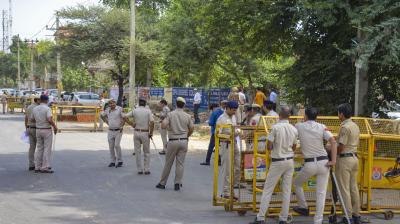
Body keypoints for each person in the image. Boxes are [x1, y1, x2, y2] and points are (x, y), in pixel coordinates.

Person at [250, 106, 298, 224]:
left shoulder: (275, 128)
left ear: (279, 116)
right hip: (290, 161)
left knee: (268, 190)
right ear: (289, 117)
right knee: (286, 191)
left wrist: (275, 146)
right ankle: (283, 218)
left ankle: (261, 218)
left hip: (277, 161)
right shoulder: (294, 129)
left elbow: (269, 146)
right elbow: (294, 146)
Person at [292, 107, 337, 224]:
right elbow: (333, 141)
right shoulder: (322, 127)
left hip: (310, 163)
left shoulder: (298, 126)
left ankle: (303, 207)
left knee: (297, 183)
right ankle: (318, 220)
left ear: (305, 116)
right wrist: (334, 160)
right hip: (324, 163)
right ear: (316, 117)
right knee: (321, 193)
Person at [156, 97, 194, 190]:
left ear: (176, 104)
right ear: (184, 105)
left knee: (168, 163)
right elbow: (192, 128)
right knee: (180, 163)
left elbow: (164, 125)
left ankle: (162, 183)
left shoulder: (170, 114)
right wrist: (187, 135)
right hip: (184, 141)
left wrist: (166, 125)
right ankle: (177, 183)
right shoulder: (187, 116)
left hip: (173, 141)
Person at [336, 103, 361, 224]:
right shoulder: (355, 125)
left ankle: (347, 216)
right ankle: (356, 215)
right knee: (353, 188)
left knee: (344, 189)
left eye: (338, 112)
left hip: (345, 159)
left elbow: (341, 146)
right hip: (354, 158)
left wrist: (331, 150)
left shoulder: (345, 127)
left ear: (341, 113)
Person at [216, 101, 242, 199]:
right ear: (228, 108)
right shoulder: (221, 119)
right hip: (226, 144)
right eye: (233, 110)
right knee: (227, 169)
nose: (235, 112)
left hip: (235, 143)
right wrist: (229, 135)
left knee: (237, 167)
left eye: (236, 110)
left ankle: (232, 190)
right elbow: (217, 134)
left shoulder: (234, 117)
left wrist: (238, 132)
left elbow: (235, 128)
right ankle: (226, 192)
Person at [124, 97, 154, 174]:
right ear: (145, 103)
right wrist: (151, 133)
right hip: (145, 133)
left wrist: (131, 124)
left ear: (139, 102)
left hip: (136, 132)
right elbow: (152, 122)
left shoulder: (135, 110)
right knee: (146, 152)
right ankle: (146, 169)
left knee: (137, 152)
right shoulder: (148, 111)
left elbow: (124, 117)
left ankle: (139, 169)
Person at [31, 95, 58, 173]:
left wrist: (39, 121)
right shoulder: (47, 108)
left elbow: (32, 119)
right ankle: (45, 167)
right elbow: (49, 119)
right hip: (46, 130)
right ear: (46, 100)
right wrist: (55, 127)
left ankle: (37, 166)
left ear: (40, 100)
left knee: (39, 148)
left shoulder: (35, 108)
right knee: (47, 148)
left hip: (38, 130)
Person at [100, 99, 126, 168]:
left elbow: (124, 118)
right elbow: (102, 115)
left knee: (117, 145)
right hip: (110, 130)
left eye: (113, 103)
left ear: (115, 103)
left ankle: (120, 161)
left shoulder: (120, 109)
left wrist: (121, 126)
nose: (112, 105)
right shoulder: (107, 110)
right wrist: (106, 121)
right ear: (109, 105)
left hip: (118, 131)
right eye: (110, 104)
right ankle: (113, 161)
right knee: (111, 146)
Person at [25, 97, 40, 170]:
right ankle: (39, 165)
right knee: (40, 147)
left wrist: (26, 128)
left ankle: (31, 164)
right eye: (40, 100)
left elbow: (26, 118)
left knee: (32, 148)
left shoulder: (29, 107)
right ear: (37, 100)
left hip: (29, 128)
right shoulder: (37, 108)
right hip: (36, 128)